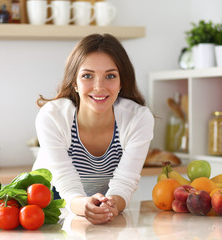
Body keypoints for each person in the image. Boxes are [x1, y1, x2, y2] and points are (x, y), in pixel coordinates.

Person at [32, 33, 154, 225]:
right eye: (87, 75)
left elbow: (125, 183)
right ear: (75, 82)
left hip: (100, 207)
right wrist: (84, 205)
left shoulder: (138, 118)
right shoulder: (53, 116)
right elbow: (65, 183)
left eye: (110, 76)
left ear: (122, 82)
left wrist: (112, 204)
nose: (99, 87)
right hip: (46, 206)